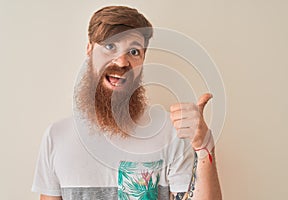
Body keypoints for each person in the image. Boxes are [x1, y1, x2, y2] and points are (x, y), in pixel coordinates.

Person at [32, 5, 222, 200]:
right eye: (109, 46)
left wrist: (204, 145)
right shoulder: (56, 137)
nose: (122, 62)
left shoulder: (171, 132)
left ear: (143, 58)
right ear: (89, 49)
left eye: (133, 51)